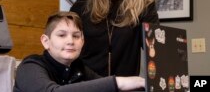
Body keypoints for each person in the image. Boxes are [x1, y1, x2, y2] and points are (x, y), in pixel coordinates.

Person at [70, 0, 159, 77]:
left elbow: (154, 46)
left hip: (124, 87)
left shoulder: (143, 3)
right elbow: (67, 38)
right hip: (86, 85)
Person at [13, 11, 145, 92]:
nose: (70, 41)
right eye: (62, 35)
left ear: (82, 41)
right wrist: (118, 82)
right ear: (46, 41)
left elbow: (106, 89)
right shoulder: (30, 66)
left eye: (76, 36)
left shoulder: (79, 68)